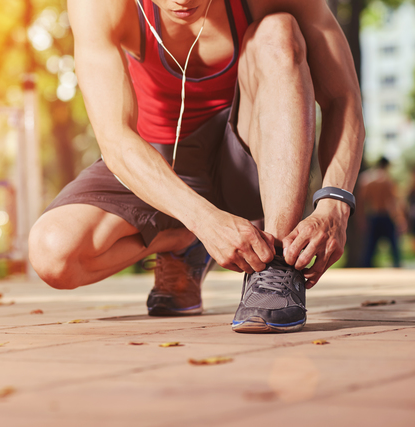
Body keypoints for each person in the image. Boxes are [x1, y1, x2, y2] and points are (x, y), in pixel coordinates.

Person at [29, 0, 364, 333]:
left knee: (279, 30)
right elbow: (115, 140)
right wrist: (204, 222)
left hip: (246, 158)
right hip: (157, 166)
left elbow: (342, 97)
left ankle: (274, 266)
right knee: (53, 254)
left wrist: (335, 204)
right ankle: (180, 239)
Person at [359, 157, 406, 268]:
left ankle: (366, 267)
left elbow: (361, 201)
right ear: (386, 165)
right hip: (386, 215)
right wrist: (400, 218)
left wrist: (362, 219)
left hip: (373, 215)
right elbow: (393, 202)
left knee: (371, 246)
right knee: (394, 245)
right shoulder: (388, 180)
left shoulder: (366, 179)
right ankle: (397, 266)